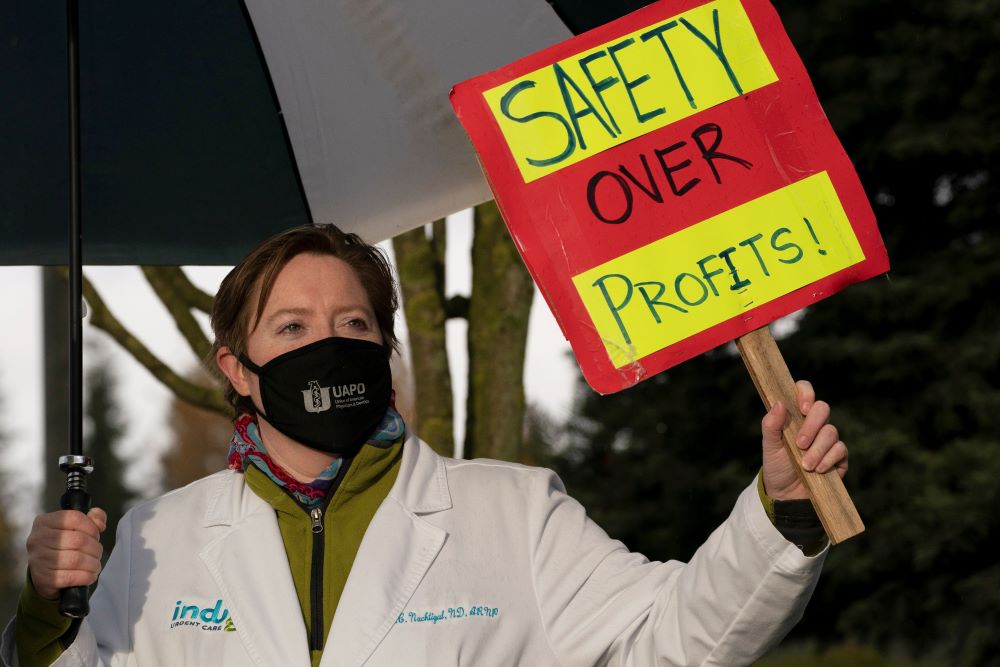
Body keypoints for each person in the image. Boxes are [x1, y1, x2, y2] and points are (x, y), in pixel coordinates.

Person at [3, 224, 848, 667]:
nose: (325, 346)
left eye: (353, 324)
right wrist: (51, 604)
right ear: (240, 368)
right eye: (291, 327)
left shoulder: (512, 513)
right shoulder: (159, 539)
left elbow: (678, 638)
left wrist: (781, 513)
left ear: (385, 350)